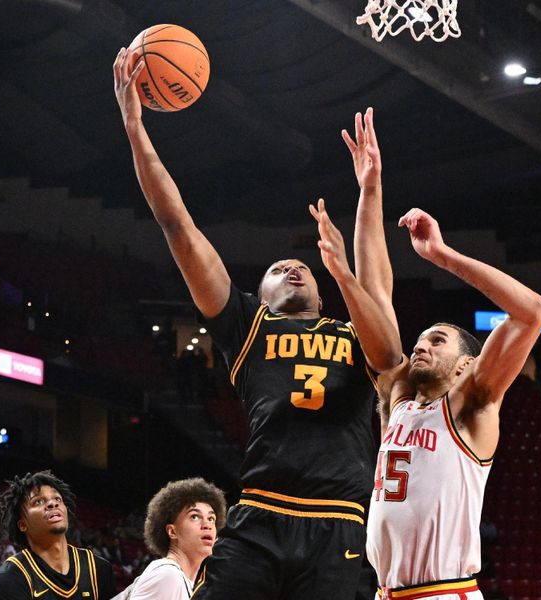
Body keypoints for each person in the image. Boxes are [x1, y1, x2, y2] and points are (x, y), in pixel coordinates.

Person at [114, 49, 402, 600]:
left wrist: (369, 194)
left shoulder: (352, 332)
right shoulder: (246, 325)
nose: (293, 267)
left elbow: (383, 316)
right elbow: (177, 224)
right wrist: (134, 128)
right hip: (261, 516)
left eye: (303, 266)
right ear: (261, 294)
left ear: (322, 289)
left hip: (341, 521)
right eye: (277, 268)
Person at [359, 204, 541, 597]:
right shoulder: (399, 399)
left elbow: (531, 313)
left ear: (466, 364)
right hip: (384, 592)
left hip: (443, 591)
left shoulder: (471, 404)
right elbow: (376, 292)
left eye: (437, 340)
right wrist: (370, 189)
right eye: (421, 339)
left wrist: (442, 256)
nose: (421, 345)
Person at [0, 470, 116, 600]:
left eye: (57, 499)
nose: (52, 504)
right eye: (38, 502)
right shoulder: (9, 579)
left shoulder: (98, 569)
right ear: (22, 525)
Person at [118, 478, 227, 600]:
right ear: (172, 531)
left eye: (211, 518)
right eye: (195, 516)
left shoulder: (186, 582)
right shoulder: (168, 575)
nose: (207, 525)